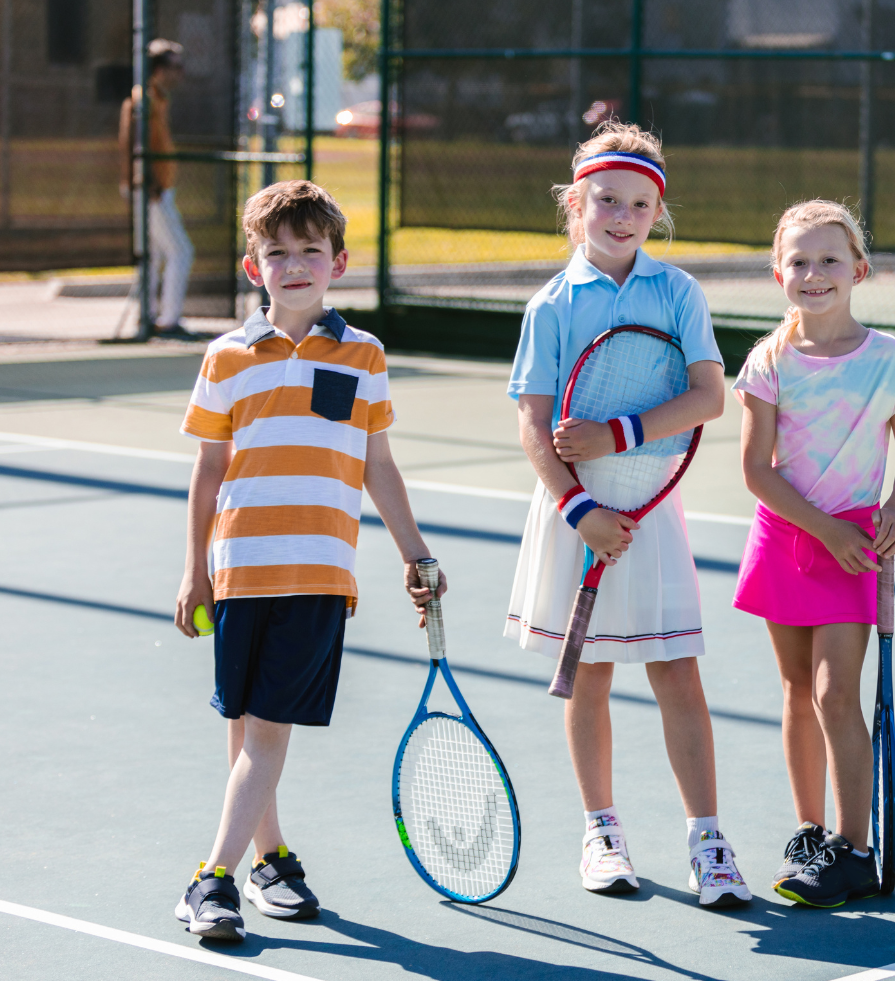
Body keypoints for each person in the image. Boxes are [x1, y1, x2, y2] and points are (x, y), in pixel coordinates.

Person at [172, 180, 441, 941]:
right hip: (239, 570)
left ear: (339, 262)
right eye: (277, 253)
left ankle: (211, 877)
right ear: (254, 267)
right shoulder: (225, 358)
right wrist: (195, 567)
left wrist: (415, 551)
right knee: (248, 721)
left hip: (321, 571)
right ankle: (268, 860)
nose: (294, 265)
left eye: (310, 251)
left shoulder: (365, 355)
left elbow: (377, 464)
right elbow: (209, 469)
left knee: (268, 729)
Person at [504, 121, 751, 907]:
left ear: (657, 212)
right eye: (606, 199)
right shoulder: (549, 306)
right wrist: (580, 509)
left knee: (678, 671)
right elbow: (534, 427)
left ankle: (708, 839)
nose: (622, 215)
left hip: (650, 514)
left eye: (640, 204)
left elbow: (712, 395)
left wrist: (620, 433)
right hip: (576, 515)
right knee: (590, 676)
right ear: (575, 202)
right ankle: (601, 832)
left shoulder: (677, 291)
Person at [732, 200, 895, 908]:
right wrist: (823, 528)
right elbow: (756, 470)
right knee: (794, 691)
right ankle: (810, 829)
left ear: (859, 270)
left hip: (851, 548)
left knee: (833, 692)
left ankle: (854, 849)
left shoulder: (887, 358)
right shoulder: (769, 360)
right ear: (778, 271)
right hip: (788, 536)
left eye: (829, 260)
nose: (813, 274)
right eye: (799, 261)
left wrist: (894, 511)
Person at [119, 38, 195, 338]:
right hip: (151, 190)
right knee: (181, 251)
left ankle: (149, 317)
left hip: (158, 189)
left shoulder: (158, 99)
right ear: (160, 69)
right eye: (176, 67)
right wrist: (149, 184)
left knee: (157, 254)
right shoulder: (143, 101)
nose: (181, 72)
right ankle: (168, 321)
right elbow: (135, 145)